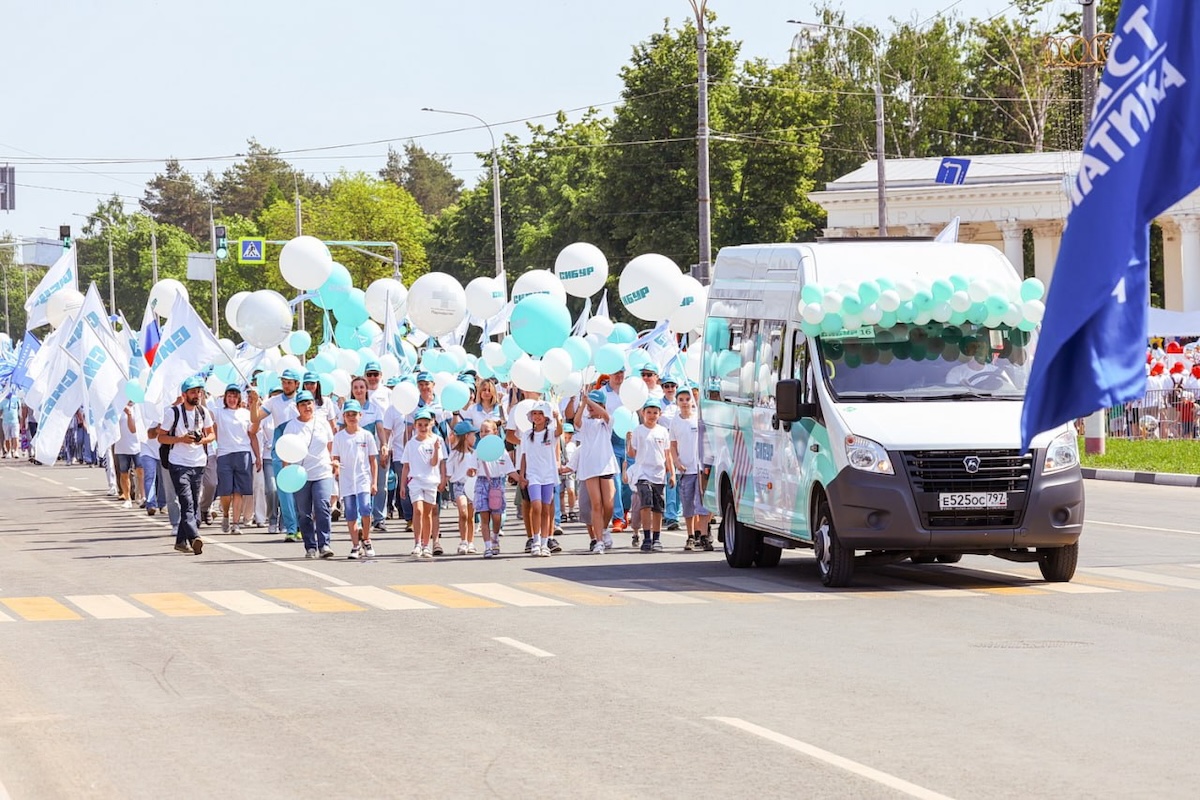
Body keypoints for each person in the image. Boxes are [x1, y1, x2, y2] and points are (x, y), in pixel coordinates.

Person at [158, 376, 214, 555]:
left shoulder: (203, 411)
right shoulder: (173, 413)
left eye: (199, 391)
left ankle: (181, 541)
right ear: (184, 394)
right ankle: (194, 537)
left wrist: (202, 440)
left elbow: (212, 434)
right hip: (178, 463)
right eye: (193, 392)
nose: (197, 395)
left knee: (194, 502)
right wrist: (181, 439)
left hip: (198, 462)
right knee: (187, 502)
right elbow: (161, 437)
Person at [282, 389, 336, 559]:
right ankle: (310, 546)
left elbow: (330, 446)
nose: (307, 407)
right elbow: (285, 450)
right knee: (304, 512)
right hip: (300, 474)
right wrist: (287, 471)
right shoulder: (291, 426)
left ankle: (324, 544)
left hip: (322, 471)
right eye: (303, 404)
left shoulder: (322, 423)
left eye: (309, 403)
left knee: (322, 507)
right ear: (297, 407)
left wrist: (333, 461)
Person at [250, 368, 302, 541]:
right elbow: (255, 418)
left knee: (300, 491)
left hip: (300, 450)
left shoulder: (303, 401)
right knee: (285, 491)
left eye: (289, 382)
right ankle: (290, 528)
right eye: (284, 382)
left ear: (297, 384)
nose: (286, 385)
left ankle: (302, 526)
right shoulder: (273, 401)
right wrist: (254, 403)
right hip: (280, 450)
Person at [331, 399, 378, 559]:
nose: (351, 417)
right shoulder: (339, 437)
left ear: (360, 415)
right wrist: (336, 465)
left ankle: (367, 539)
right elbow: (335, 458)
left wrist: (374, 482)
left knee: (365, 509)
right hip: (347, 481)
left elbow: (373, 461)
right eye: (348, 414)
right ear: (344, 416)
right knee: (350, 513)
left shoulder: (367, 435)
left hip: (363, 479)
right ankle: (355, 545)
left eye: (354, 414)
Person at [628, 397, 675, 553]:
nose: (652, 415)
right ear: (643, 413)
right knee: (646, 504)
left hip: (659, 474)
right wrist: (628, 441)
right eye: (649, 412)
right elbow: (632, 453)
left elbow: (667, 455)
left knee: (657, 508)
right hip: (643, 473)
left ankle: (656, 538)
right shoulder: (638, 431)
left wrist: (672, 473)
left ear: (659, 414)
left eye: (655, 412)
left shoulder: (662, 431)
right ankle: (646, 537)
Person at [669, 385, 713, 551]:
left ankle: (703, 535)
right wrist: (676, 462)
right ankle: (690, 535)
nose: (685, 402)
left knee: (701, 503)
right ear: (677, 402)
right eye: (681, 400)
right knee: (687, 504)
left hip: (700, 468)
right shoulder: (675, 422)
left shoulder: (698, 419)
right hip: (686, 470)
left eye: (688, 399)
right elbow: (672, 445)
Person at [574, 389, 618, 553]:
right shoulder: (585, 422)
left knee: (609, 504)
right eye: (590, 405)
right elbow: (576, 422)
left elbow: (605, 415)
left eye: (596, 404)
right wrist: (583, 403)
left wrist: (590, 401)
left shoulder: (607, 422)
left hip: (606, 465)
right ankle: (599, 540)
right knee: (596, 503)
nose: (591, 408)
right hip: (590, 467)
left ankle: (604, 529)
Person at [400, 408, 447, 559]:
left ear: (430, 425)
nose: (423, 427)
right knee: (418, 510)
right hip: (415, 481)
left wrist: (435, 449)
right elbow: (406, 466)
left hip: (431, 482)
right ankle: (417, 543)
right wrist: (402, 485)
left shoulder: (435, 441)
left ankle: (427, 545)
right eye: (420, 424)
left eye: (425, 424)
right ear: (415, 425)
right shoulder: (410, 444)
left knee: (427, 514)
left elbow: (434, 463)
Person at [212, 384, 259, 534]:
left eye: (235, 396)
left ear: (239, 398)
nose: (232, 399)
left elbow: (253, 433)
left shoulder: (245, 413)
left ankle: (235, 523)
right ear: (225, 398)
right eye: (229, 396)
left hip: (243, 453)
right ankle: (226, 514)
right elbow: (205, 413)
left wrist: (257, 456)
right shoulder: (219, 413)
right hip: (224, 454)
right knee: (226, 492)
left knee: (238, 491)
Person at [517, 401, 560, 557]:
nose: (537, 417)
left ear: (546, 417)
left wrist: (558, 418)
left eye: (540, 413)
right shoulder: (527, 434)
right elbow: (524, 455)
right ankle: (535, 540)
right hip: (533, 474)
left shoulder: (552, 432)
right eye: (534, 413)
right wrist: (522, 475)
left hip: (548, 475)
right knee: (536, 506)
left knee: (546, 508)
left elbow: (560, 431)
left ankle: (544, 542)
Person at [474, 419, 517, 559]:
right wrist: (470, 472)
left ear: (495, 432)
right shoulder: (477, 450)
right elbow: (472, 468)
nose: (484, 434)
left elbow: (510, 469)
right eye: (481, 431)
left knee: (496, 516)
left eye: (487, 431)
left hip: (497, 483)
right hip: (481, 482)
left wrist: (521, 480)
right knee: (484, 515)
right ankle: (487, 547)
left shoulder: (501, 451)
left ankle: (495, 536)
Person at [447, 420, 479, 554]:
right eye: (473, 434)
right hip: (459, 485)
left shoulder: (474, 453)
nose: (475, 437)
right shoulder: (454, 454)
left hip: (472, 486)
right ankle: (463, 540)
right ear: (466, 436)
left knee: (471, 516)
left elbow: (478, 469)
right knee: (463, 512)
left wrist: (474, 472)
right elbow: (449, 472)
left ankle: (470, 542)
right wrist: (444, 482)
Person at [114, 401, 144, 508]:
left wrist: (129, 414)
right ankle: (127, 499)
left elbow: (133, 429)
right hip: (122, 445)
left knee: (140, 470)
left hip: (137, 444)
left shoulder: (139, 407)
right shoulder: (117, 407)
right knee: (124, 473)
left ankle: (142, 496)